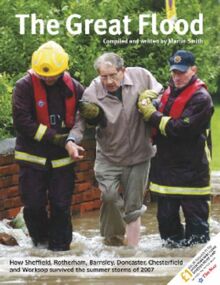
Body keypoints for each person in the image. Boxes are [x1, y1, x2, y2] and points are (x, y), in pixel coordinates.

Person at [65, 52, 163, 246]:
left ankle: (132, 253)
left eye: (113, 75)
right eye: (103, 76)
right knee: (109, 197)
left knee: (133, 207)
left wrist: (151, 99)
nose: (108, 81)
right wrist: (71, 141)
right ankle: (114, 243)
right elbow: (80, 123)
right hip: (109, 156)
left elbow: (161, 92)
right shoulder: (92, 92)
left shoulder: (141, 76)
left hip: (139, 155)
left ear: (122, 70)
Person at [12, 41, 84, 251]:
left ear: (64, 69)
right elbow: (22, 122)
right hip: (32, 158)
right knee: (33, 207)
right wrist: (57, 138)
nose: (49, 78)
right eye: (44, 75)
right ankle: (41, 247)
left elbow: (83, 116)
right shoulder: (23, 87)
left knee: (61, 207)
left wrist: (94, 114)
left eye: (53, 74)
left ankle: (60, 252)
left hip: (63, 160)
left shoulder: (75, 88)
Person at [138, 50, 214, 247]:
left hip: (193, 172)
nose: (177, 77)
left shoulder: (202, 98)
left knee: (197, 234)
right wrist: (148, 101)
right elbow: (159, 107)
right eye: (174, 72)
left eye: (182, 72)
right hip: (165, 172)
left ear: (193, 70)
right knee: (167, 228)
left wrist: (151, 114)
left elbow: (180, 128)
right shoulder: (168, 92)